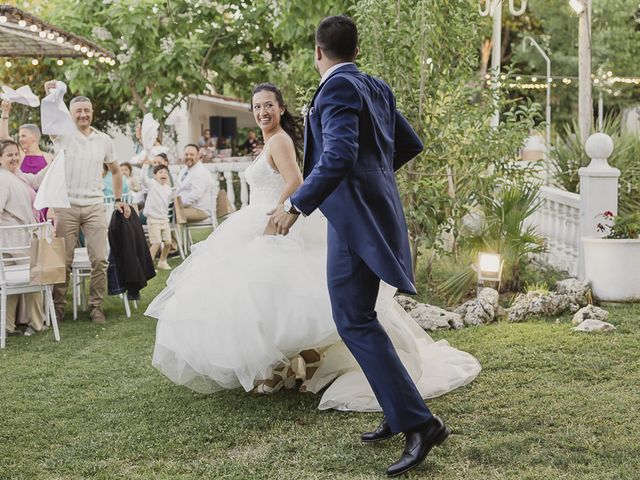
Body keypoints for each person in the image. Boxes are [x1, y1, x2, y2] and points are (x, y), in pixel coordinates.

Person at [146, 84, 479, 410]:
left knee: (277, 297)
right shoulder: (267, 143)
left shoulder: (279, 140)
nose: (263, 111)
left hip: (276, 218)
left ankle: (285, 368)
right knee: (270, 299)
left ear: (281, 109)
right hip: (258, 216)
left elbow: (296, 182)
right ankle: (290, 365)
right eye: (257, 106)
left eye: (269, 105)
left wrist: (278, 211)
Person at [269, 15, 448, 477]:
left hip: (353, 225)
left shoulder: (337, 89)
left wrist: (298, 205)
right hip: (373, 215)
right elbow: (406, 144)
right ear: (354, 48)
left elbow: (340, 154)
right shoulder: (376, 86)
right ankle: (396, 411)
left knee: (353, 320)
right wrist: (376, 178)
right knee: (361, 319)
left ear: (317, 51)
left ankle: (420, 424)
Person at [42, 80, 131, 324]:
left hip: (94, 206)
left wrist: (118, 199)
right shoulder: (62, 135)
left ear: (92, 113)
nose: (83, 115)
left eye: (86, 111)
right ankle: (58, 309)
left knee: (100, 259)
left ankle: (96, 307)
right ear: (70, 115)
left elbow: (115, 170)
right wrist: (49, 93)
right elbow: (50, 114)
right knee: (64, 261)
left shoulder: (103, 140)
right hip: (66, 207)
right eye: (78, 111)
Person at [0, 140, 48, 337]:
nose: (14, 158)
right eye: (9, 155)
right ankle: (37, 323)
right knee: (34, 278)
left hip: (18, 237)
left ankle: (7, 325)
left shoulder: (17, 175)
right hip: (14, 238)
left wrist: (53, 163)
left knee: (11, 283)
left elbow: (36, 181)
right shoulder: (3, 179)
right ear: (0, 158)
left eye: (16, 154)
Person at [0, 100, 52, 173]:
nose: (20, 139)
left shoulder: (49, 157)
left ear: (34, 137)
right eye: (20, 137)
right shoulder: (20, 155)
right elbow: (3, 136)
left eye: (23, 136)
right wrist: (5, 112)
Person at [140, 164, 173, 270]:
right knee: (156, 243)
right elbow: (142, 178)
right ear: (155, 176)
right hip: (153, 219)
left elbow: (165, 204)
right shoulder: (152, 184)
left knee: (168, 243)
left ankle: (162, 261)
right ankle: (147, 266)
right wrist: (145, 165)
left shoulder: (168, 189)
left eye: (165, 173)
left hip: (164, 219)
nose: (163, 174)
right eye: (160, 172)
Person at [175, 144, 213, 222]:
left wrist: (178, 204)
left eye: (192, 154)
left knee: (175, 213)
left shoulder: (200, 171)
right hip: (186, 207)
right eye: (186, 154)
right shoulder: (184, 170)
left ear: (198, 155)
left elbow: (196, 194)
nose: (188, 157)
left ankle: (177, 234)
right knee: (164, 212)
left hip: (200, 209)